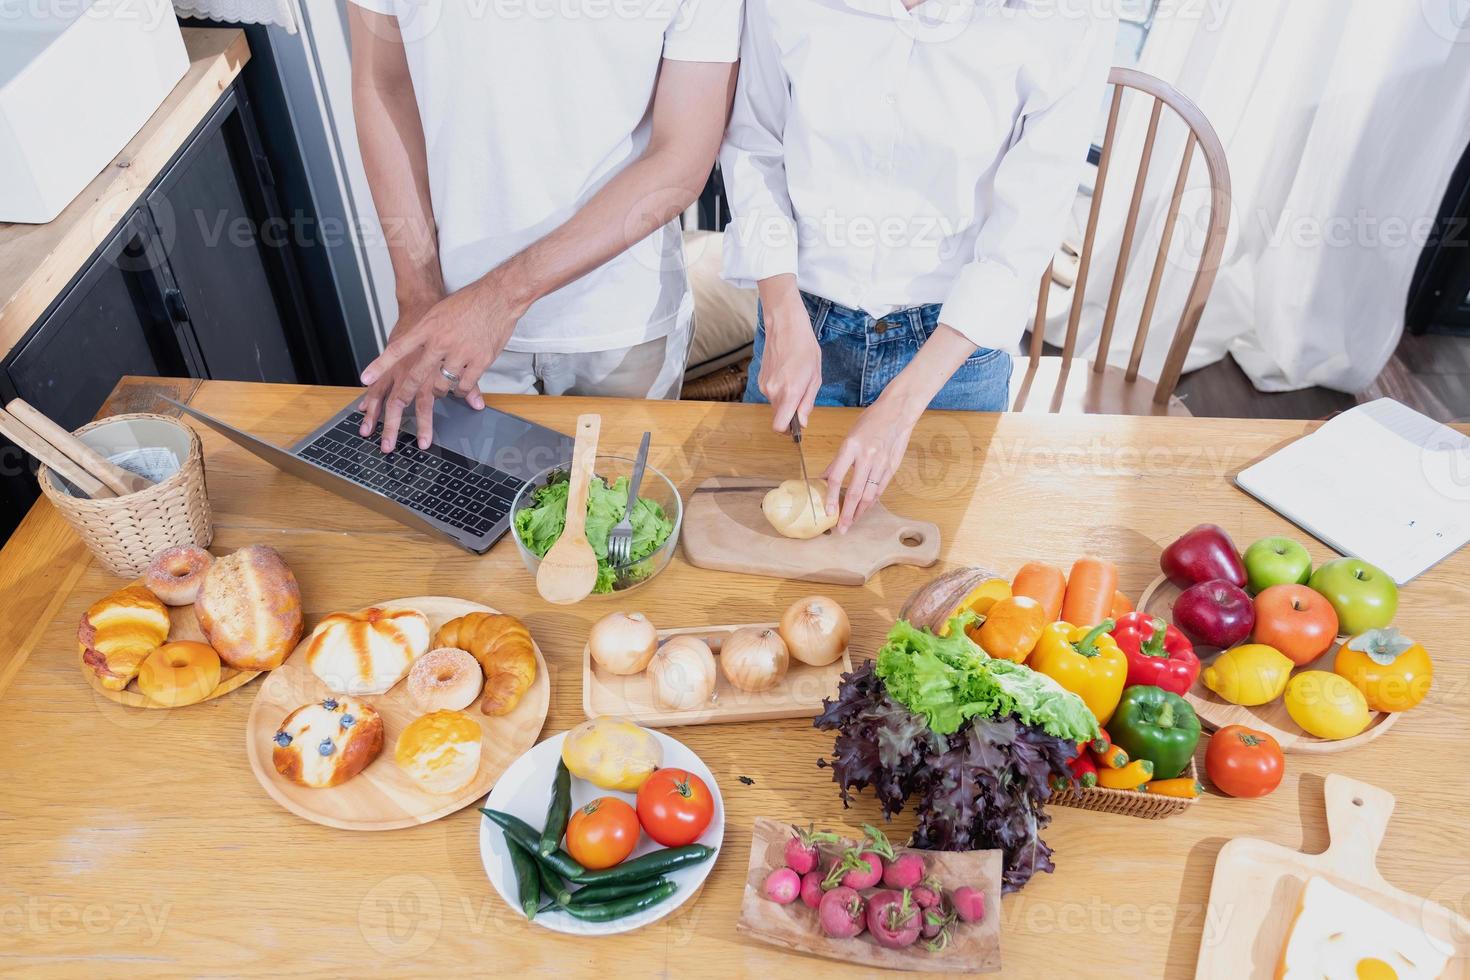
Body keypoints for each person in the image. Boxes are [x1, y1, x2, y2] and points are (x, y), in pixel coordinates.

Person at [720, 0, 1117, 531]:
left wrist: (903, 406)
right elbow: (754, 144)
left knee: (941, 577)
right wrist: (781, 313)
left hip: (951, 358)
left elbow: (1023, 233)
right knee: (749, 549)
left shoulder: (1070, 17)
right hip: (801, 323)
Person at [346, 0, 742, 451]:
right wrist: (416, 294)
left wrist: (500, 297)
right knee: (464, 513)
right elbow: (383, 83)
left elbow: (682, 158)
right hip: (447, 317)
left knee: (622, 516)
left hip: (620, 322)